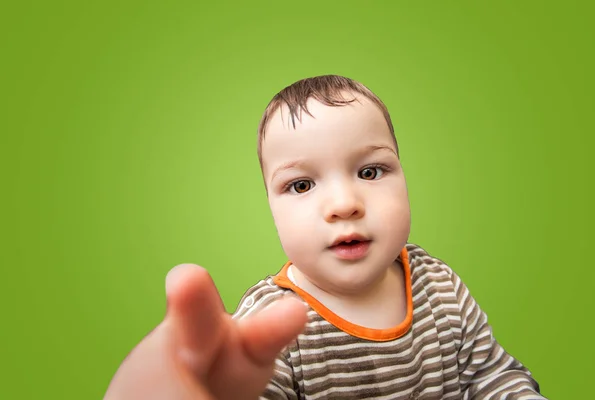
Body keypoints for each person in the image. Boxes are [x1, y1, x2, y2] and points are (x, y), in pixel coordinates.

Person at [105, 75, 545, 399]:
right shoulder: (272, 325)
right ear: (271, 209)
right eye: (301, 185)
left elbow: (492, 377)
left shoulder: (441, 286)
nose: (343, 204)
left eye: (370, 171)